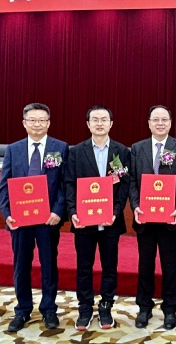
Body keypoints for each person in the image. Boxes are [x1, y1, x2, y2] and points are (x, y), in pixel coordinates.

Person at [0, 103, 69, 332]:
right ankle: (22, 310)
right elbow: (4, 185)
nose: (37, 124)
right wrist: (7, 214)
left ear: (48, 123)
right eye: (32, 120)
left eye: (41, 120)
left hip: (48, 219)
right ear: (24, 123)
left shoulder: (60, 147)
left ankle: (49, 309)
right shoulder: (13, 149)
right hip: (20, 220)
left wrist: (58, 211)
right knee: (21, 265)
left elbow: (65, 184)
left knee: (49, 265)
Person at [64, 105, 130, 331]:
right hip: (84, 221)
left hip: (111, 221)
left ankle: (105, 306)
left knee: (110, 267)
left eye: (104, 119)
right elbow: (69, 184)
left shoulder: (122, 152)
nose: (99, 123)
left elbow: (124, 186)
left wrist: (116, 212)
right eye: (95, 119)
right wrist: (73, 212)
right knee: (84, 266)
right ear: (88, 124)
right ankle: (84, 308)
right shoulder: (76, 152)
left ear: (111, 124)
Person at [129, 105, 176, 330]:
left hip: (170, 219)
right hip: (144, 218)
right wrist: (135, 206)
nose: (160, 123)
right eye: (155, 119)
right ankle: (144, 307)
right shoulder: (137, 148)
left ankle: (170, 308)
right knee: (145, 264)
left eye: (164, 119)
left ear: (170, 122)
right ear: (149, 123)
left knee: (170, 265)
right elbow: (132, 181)